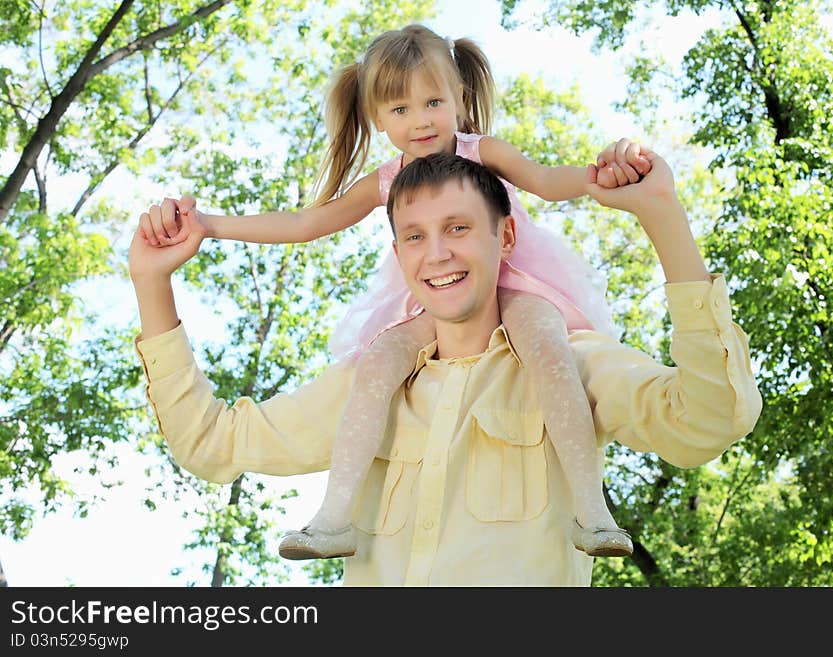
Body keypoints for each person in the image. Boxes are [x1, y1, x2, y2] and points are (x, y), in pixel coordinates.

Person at [130, 145, 763, 586]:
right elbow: (210, 443)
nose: (437, 255)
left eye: (459, 228)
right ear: (398, 251)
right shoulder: (369, 386)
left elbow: (708, 419)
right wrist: (151, 282)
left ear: (505, 238)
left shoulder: (568, 365)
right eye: (415, 235)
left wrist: (663, 217)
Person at [138, 24, 650, 561]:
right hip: (438, 295)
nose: (420, 120)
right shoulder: (385, 180)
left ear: (460, 96)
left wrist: (604, 175)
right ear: (377, 119)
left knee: (547, 346)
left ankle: (591, 510)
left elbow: (546, 181)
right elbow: (307, 224)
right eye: (399, 109)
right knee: (380, 362)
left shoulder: (482, 151)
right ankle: (334, 517)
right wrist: (212, 226)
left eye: (433, 101)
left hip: (510, 280)